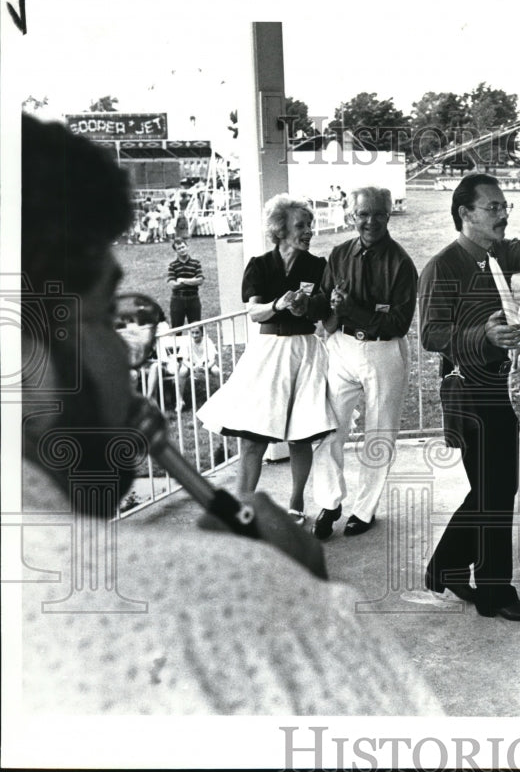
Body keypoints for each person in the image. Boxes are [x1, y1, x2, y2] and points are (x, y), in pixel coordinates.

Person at [16, 114, 441, 716]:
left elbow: (370, 314)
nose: (127, 355)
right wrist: (294, 599)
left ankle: (330, 502)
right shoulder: (227, 603)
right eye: (111, 313)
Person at [418, 173, 520, 621]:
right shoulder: (444, 266)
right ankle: (496, 594)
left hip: (495, 389)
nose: (502, 214)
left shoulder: (495, 253)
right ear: (465, 214)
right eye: (493, 207)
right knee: (494, 491)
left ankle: (447, 566)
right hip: (469, 392)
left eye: (503, 207)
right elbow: (430, 334)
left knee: (495, 489)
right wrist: (485, 333)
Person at [197, 194, 336, 524]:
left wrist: (320, 306)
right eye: (300, 226)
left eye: (309, 226)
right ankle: (242, 508)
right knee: (252, 438)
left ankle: (297, 501)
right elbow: (254, 312)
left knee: (301, 435)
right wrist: (278, 304)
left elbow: (326, 313)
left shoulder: (318, 266)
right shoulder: (260, 265)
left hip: (304, 352)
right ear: (280, 230)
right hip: (268, 354)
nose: (308, 232)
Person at [310, 186, 418, 539]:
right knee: (328, 428)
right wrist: (306, 306)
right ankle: (329, 502)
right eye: (362, 214)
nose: (369, 221)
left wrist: (353, 309)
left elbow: (397, 324)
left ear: (389, 214)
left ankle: (364, 509)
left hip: (382, 351)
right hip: (341, 348)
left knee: (379, 433)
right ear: (351, 215)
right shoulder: (340, 254)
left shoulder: (401, 263)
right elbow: (323, 301)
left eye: (378, 213)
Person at [167, 238, 204, 327]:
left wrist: (182, 280)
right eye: (179, 249)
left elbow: (200, 280)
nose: (182, 250)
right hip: (178, 300)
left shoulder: (196, 263)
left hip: (193, 299)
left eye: (183, 247)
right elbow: (173, 285)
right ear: (176, 251)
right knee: (176, 329)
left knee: (196, 328)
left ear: (187, 247)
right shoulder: (172, 265)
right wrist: (192, 281)